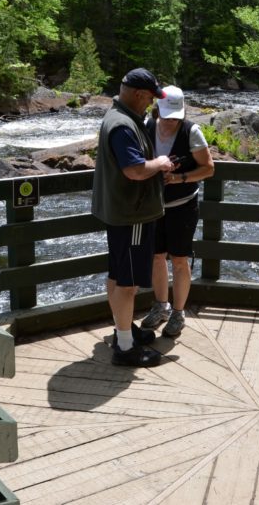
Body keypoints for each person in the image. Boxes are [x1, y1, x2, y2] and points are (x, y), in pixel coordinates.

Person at [92, 68, 176, 367]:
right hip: (132, 218)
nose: (153, 105)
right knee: (127, 284)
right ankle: (125, 348)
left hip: (121, 213)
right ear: (139, 94)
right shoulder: (124, 125)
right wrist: (160, 163)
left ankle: (123, 332)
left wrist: (154, 173)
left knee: (117, 276)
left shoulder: (120, 118)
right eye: (151, 98)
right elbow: (135, 170)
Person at [140, 86, 214, 337]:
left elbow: (208, 168)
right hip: (154, 206)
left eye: (175, 115)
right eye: (167, 114)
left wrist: (179, 177)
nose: (171, 120)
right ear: (157, 108)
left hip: (183, 206)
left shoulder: (191, 131)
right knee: (156, 257)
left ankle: (178, 313)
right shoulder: (148, 126)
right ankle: (161, 306)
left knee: (180, 260)